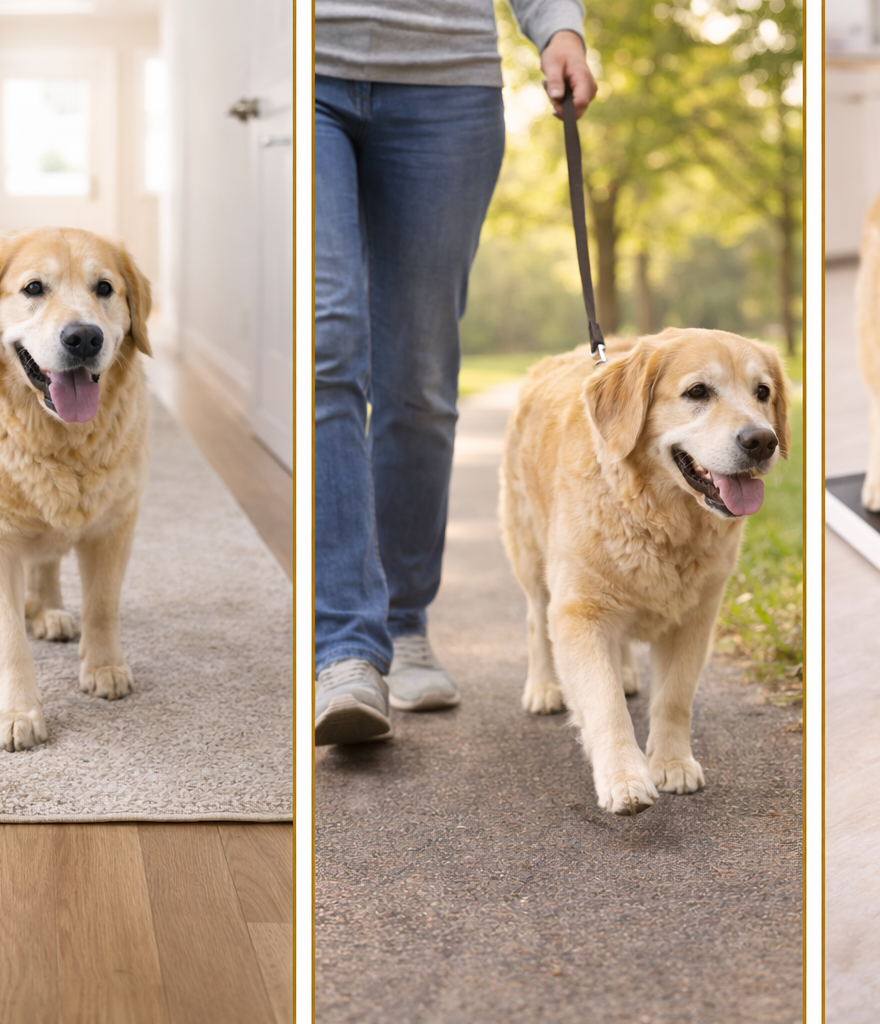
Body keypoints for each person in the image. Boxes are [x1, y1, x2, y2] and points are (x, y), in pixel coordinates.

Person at [313, 1, 598, 744]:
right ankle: (345, 645)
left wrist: (558, 28)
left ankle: (403, 621)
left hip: (447, 89)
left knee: (419, 380)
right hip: (307, 62)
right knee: (331, 339)